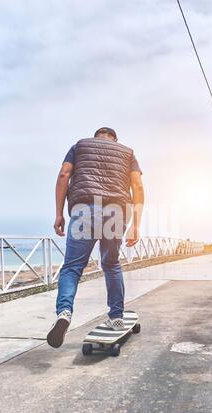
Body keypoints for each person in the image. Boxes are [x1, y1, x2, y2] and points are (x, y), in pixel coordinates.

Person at [47, 127, 144, 348]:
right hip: (116, 210)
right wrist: (136, 224)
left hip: (84, 208)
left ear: (96, 137)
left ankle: (64, 313)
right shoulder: (127, 153)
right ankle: (116, 316)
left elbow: (63, 175)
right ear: (114, 139)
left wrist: (59, 213)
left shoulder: (80, 146)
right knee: (111, 264)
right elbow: (137, 185)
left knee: (72, 267)